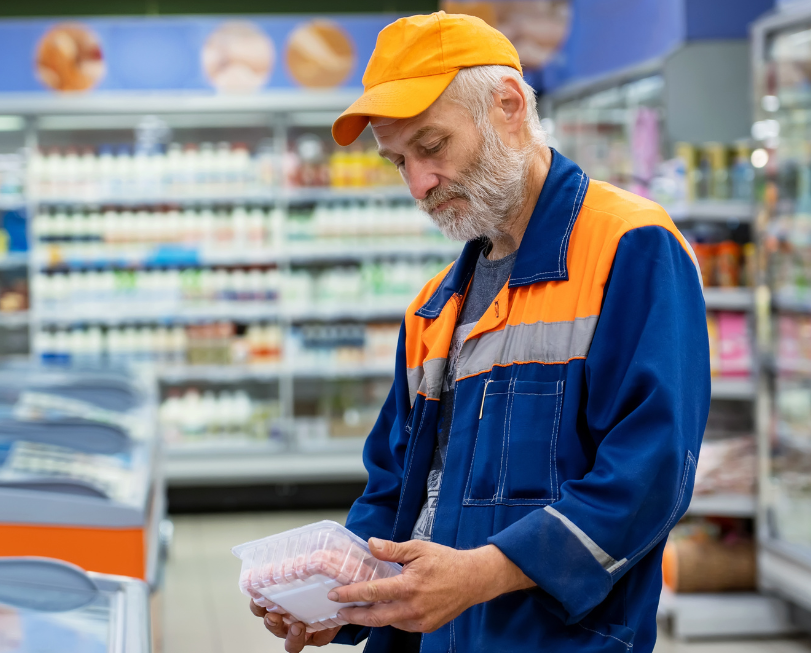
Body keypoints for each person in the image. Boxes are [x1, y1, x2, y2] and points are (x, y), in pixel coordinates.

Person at [250, 11, 709, 653]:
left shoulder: (629, 247)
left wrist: (481, 575)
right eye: (398, 162)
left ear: (509, 105)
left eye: (432, 146)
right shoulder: (433, 309)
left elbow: (650, 473)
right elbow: (395, 489)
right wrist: (338, 595)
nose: (418, 184)